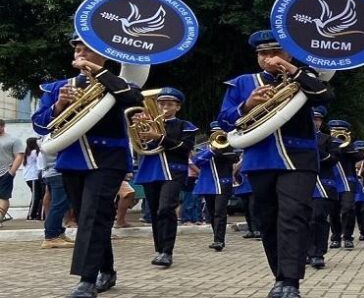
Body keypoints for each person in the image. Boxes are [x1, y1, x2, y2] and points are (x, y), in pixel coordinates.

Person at [217, 29, 333, 298]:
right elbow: (223, 121)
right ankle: (280, 277)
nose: (269, 59)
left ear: (289, 53)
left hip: (298, 158)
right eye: (263, 54)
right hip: (260, 159)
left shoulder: (306, 77)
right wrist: (247, 105)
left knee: (293, 216)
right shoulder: (244, 82)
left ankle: (291, 281)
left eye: (275, 53)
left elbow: (325, 96)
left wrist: (292, 70)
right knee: (267, 221)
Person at [31, 33, 144, 297]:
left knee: (94, 215)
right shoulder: (59, 86)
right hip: (72, 159)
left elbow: (134, 101)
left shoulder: (119, 83)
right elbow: (39, 124)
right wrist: (59, 105)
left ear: (104, 55)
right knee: (88, 218)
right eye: (78, 50)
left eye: (88, 51)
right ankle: (107, 270)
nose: (81, 55)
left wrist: (100, 73)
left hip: (109, 159)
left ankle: (86, 280)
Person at [133, 87, 198, 267]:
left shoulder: (185, 125)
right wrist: (140, 130)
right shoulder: (147, 123)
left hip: (173, 171)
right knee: (154, 213)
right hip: (150, 171)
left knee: (165, 209)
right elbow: (139, 146)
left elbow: (185, 148)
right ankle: (160, 250)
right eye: (160, 103)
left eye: (169, 104)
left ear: (177, 107)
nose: (164, 107)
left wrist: (159, 137)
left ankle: (167, 251)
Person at [192, 122, 238, 252]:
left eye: (220, 133)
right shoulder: (204, 149)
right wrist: (212, 151)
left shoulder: (229, 147)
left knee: (220, 212)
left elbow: (234, 158)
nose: (218, 135)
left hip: (223, 183)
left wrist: (223, 152)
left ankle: (219, 240)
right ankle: (216, 238)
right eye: (214, 133)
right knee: (211, 213)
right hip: (208, 185)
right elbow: (196, 161)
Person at [307, 106, 340, 268]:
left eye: (317, 119)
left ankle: (317, 253)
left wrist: (311, 146)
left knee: (317, 217)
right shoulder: (297, 137)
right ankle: (305, 252)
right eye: (312, 118)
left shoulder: (328, 139)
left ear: (321, 122)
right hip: (299, 183)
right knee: (301, 219)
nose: (314, 122)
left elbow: (333, 159)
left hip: (321, 186)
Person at [328, 120, 358, 250]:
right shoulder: (326, 143)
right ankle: (335, 237)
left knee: (348, 209)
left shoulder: (350, 146)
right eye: (335, 131)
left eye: (341, 132)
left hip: (347, 182)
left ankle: (347, 237)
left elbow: (359, 156)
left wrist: (346, 146)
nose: (338, 135)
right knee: (333, 212)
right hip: (332, 182)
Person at [39, 149, 75, 248]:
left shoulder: (46, 137)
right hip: (58, 172)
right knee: (59, 205)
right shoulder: (55, 136)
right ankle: (51, 237)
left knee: (59, 205)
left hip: (50, 172)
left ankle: (58, 234)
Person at [0, 118, 25, 227]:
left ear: (3, 126)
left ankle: (0, 218)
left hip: (5, 172)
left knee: (3, 196)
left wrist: (12, 171)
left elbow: (19, 155)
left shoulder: (13, 139)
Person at [23, 137, 44, 220]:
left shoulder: (27, 152)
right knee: (36, 196)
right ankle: (31, 214)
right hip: (33, 177)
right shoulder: (34, 152)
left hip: (29, 177)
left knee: (37, 195)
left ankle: (36, 213)